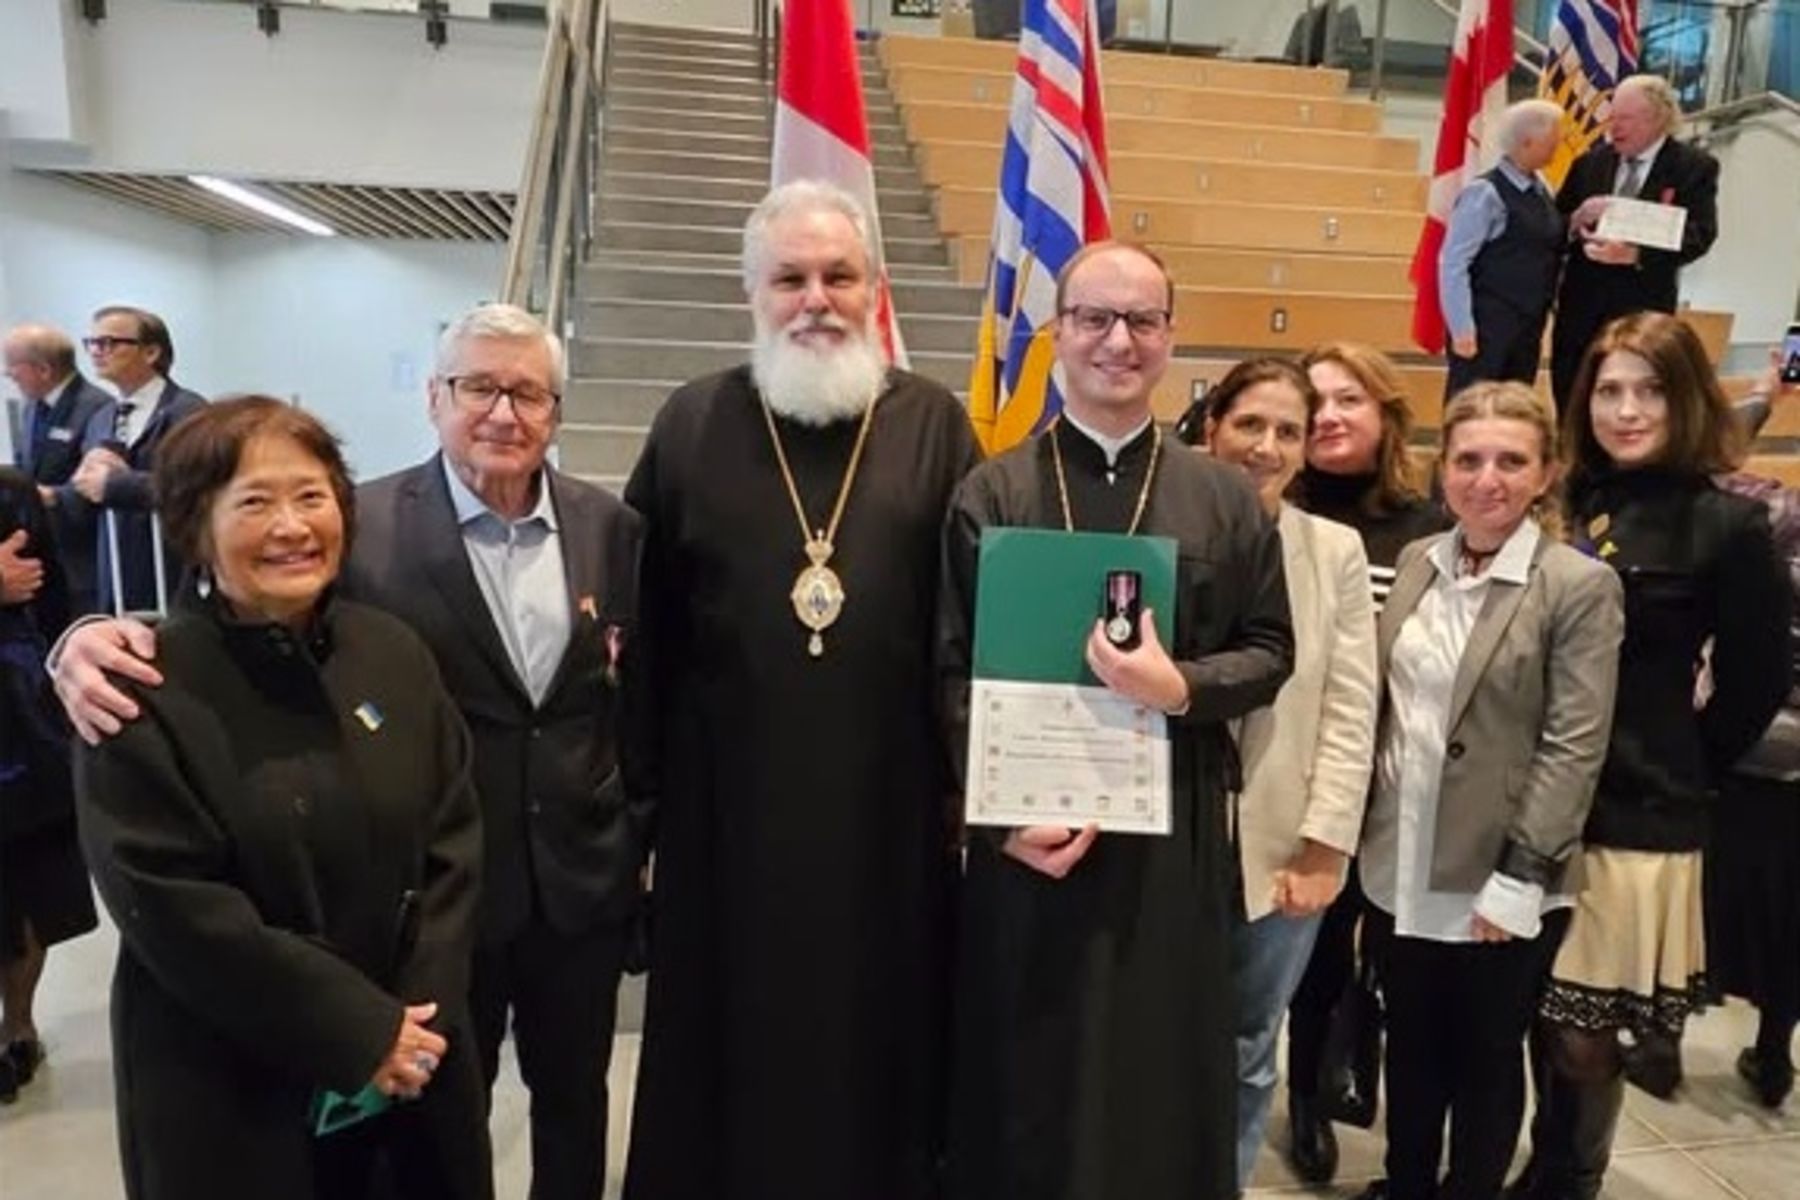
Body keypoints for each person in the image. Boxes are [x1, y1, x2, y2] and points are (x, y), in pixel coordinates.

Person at [51, 304, 644, 1200]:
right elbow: (226, 619)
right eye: (477, 386)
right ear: (434, 397)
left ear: (555, 410)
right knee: (443, 1113)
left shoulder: (611, 528)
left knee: (565, 1110)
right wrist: (83, 637)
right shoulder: (358, 525)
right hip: (393, 940)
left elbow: (634, 695)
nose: (502, 412)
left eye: (527, 392)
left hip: (560, 894)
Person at [621, 180, 981, 1200]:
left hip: (890, 814)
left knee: (880, 1040)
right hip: (722, 815)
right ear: (753, 293)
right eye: (790, 278)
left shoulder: (934, 425)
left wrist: (972, 793)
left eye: (839, 275)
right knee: (728, 1045)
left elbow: (971, 625)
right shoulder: (691, 421)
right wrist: (640, 814)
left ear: (877, 288)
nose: (815, 298)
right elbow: (644, 635)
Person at [940, 241, 1295, 1200]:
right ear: (1058, 334)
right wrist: (1003, 818)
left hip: (1168, 840)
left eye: (1142, 320)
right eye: (1094, 317)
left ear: (1170, 338)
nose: (1117, 340)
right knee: (1026, 1067)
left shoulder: (1222, 497)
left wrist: (1176, 687)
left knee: (1155, 1070)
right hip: (1027, 841)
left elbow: (1271, 652)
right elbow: (947, 671)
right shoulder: (992, 491)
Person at [73, 397, 490, 1199]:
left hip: (414, 1057)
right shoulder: (140, 684)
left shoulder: (392, 652)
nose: (292, 526)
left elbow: (454, 839)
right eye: (255, 502)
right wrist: (359, 1030)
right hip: (230, 1077)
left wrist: (416, 1019)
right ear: (196, 524)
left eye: (312, 495)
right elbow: (169, 902)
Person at [1513, 312, 1791, 1200]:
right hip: (1534, 793)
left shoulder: (1728, 522)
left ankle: (1569, 1180)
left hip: (1640, 807)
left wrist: (1683, 759)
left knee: (1585, 1032)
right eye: (1609, 389)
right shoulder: (1564, 502)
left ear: (1688, 399)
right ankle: (1541, 1160)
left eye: (1650, 389)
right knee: (1535, 1009)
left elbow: (1754, 680)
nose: (1627, 410)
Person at [1354, 382, 1624, 1200]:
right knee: (1411, 1043)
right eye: (1469, 459)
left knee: (1483, 1056)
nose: (1488, 479)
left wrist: (1522, 873)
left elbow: (1575, 745)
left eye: (1512, 461)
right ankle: (1405, 1185)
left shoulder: (1576, 584)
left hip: (1500, 873)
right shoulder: (1416, 563)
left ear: (1545, 473)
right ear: (1445, 472)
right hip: (1398, 856)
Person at [1182, 358, 1378, 1188]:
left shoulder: (1334, 551)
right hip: (1168, 838)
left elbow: (1349, 707)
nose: (1265, 447)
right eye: (1249, 425)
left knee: (1247, 1042)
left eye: (1288, 432)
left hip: (1280, 847)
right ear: (1210, 427)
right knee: (1153, 1036)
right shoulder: (1155, 528)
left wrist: (1325, 842)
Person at [1283, 340, 1451, 1183]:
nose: (1329, 418)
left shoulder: (1433, 526)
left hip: (1402, 782)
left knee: (1388, 950)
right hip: (1309, 777)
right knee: (1314, 955)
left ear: (1387, 414)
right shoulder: (1278, 510)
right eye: (1313, 403)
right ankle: (1308, 1095)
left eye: (1350, 399)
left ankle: (1364, 1053)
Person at [1706, 349, 1800, 1109]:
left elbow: (1707, 461)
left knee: (1706, 895)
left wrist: (1764, 395)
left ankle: (1665, 1040)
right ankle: (1774, 1054)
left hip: (1744, 746)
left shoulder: (1767, 513)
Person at [0, 467, 96, 1103]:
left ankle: (17, 1028)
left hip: (19, 725)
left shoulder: (11, 493)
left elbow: (56, 596)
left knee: (29, 882)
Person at [1549, 75, 1720, 409]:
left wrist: (1635, 254)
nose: (1614, 127)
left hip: (1643, 306)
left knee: (1634, 399)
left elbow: (1700, 235)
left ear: (1657, 118)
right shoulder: (1590, 162)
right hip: (1581, 309)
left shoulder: (1693, 167)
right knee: (1572, 396)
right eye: (1612, 117)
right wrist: (1575, 220)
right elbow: (1554, 225)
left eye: (1624, 119)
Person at [71, 306, 206, 614]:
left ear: (151, 352)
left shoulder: (189, 413)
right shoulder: (101, 418)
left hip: (171, 572)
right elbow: (91, 488)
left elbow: (201, 488)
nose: (96, 352)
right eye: (91, 343)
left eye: (109, 343)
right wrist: (60, 493)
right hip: (116, 575)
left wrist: (116, 484)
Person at [1438, 100, 1567, 398]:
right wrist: (1461, 327)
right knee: (1473, 404)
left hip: (1528, 324)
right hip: (1487, 324)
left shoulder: (1541, 187)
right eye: (1552, 139)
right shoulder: (1484, 193)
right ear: (1527, 142)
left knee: (1515, 406)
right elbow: (1453, 262)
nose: (1558, 146)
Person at [4, 324, 113, 613]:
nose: (7, 373)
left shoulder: (99, 408)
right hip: (43, 555)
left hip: (82, 560)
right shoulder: (31, 407)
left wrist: (48, 495)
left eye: (13, 365)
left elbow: (97, 485)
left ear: (43, 370)